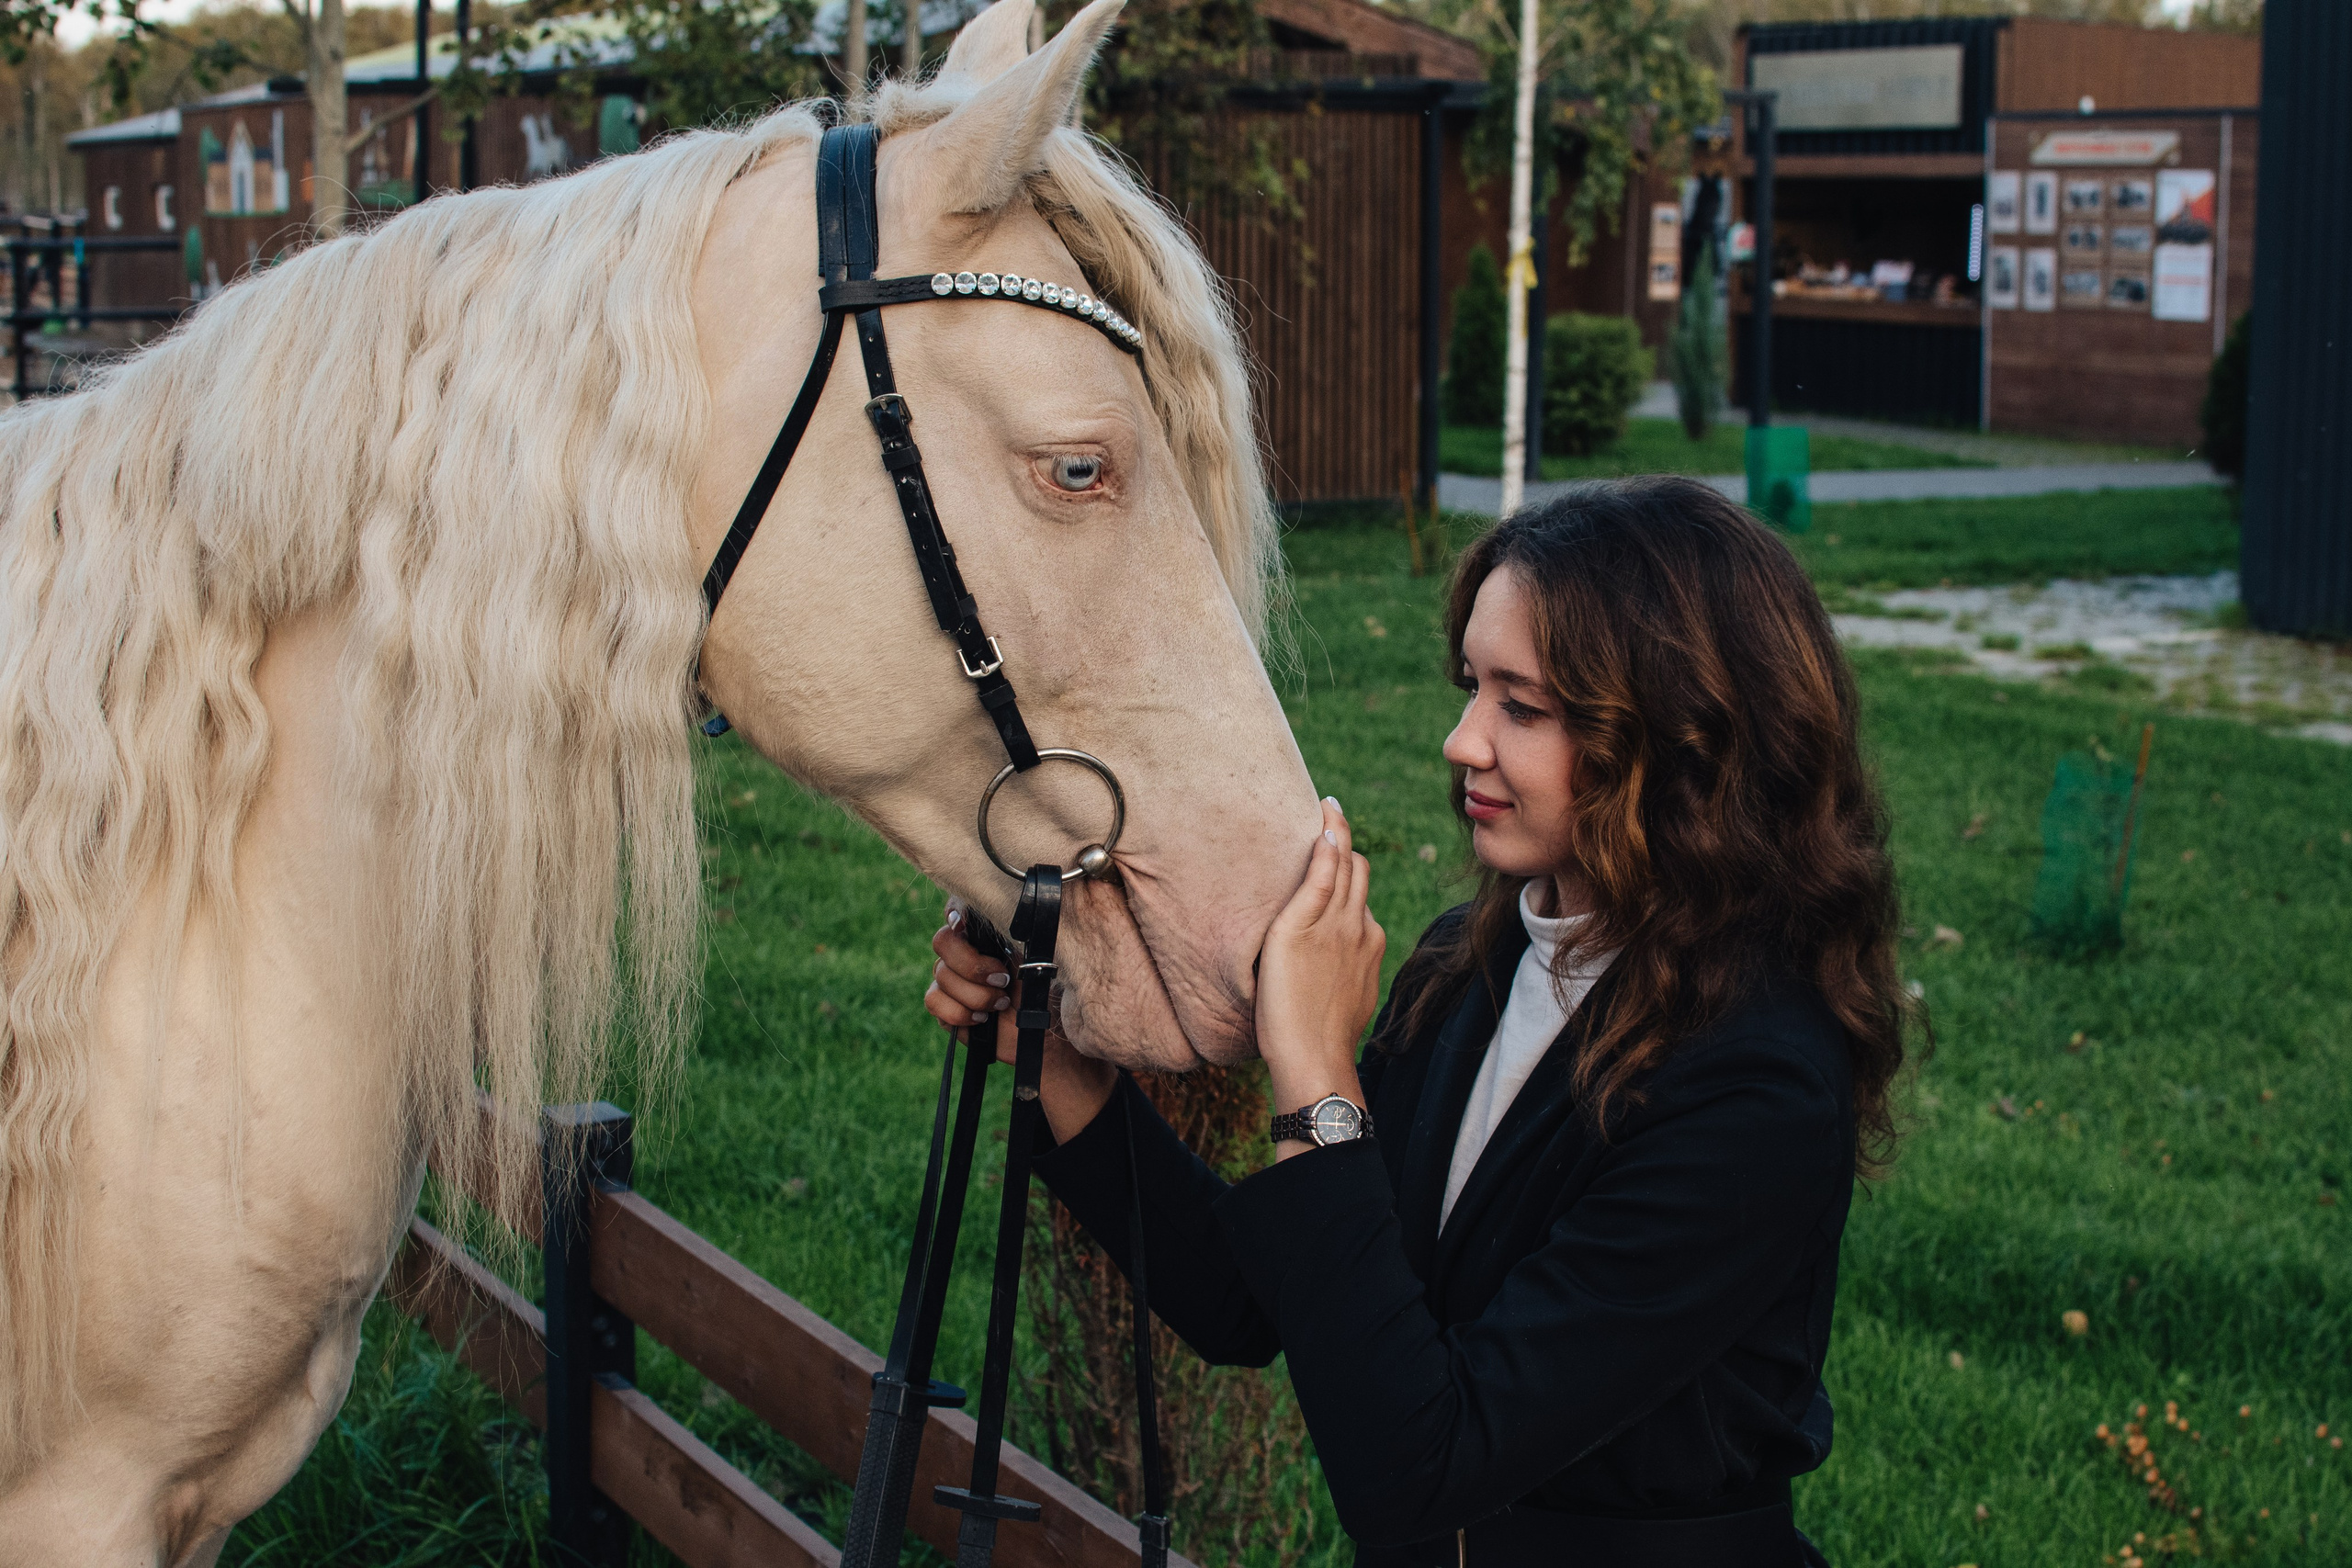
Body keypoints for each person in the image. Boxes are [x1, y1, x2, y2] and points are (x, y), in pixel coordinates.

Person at [925, 478, 1914, 1566]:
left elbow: (1419, 1466)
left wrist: (1314, 1070)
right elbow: (1248, 1303)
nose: (1462, 741)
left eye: (1521, 707)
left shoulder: (1757, 1080)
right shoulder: (1470, 962)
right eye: (1471, 687)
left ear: (1688, 745)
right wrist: (1052, 1059)